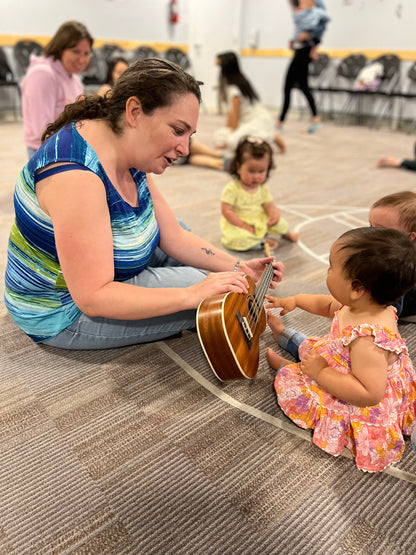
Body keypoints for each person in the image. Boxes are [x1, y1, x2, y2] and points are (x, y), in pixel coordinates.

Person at [4, 58, 284, 351]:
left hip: (95, 280)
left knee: (204, 265)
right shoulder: (77, 177)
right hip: (62, 311)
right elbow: (93, 297)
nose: (185, 149)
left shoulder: (124, 145)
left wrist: (240, 266)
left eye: (190, 135)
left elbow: (174, 235)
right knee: (212, 293)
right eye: (178, 130)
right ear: (134, 112)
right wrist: (192, 294)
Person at [265, 227, 416, 472]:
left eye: (331, 267)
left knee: (309, 372)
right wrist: (295, 300)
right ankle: (284, 336)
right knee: (313, 347)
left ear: (357, 289)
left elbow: (369, 394)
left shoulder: (368, 341)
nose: (327, 271)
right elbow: (327, 306)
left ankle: (294, 367)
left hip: (358, 387)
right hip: (341, 358)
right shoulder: (362, 303)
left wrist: (321, 373)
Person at [21, 21, 93, 158]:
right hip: (44, 151)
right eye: (76, 51)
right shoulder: (42, 74)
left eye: (86, 53)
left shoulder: (75, 81)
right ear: (60, 48)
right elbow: (41, 131)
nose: (82, 59)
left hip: (66, 147)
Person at [221, 136, 299, 251]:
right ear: (238, 167)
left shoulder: (262, 187)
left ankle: (286, 233)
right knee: (237, 239)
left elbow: (268, 204)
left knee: (280, 223)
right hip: (239, 223)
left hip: (260, 220)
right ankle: (261, 242)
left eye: (261, 171)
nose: (256, 176)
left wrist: (274, 214)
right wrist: (242, 225)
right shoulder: (232, 188)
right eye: (251, 171)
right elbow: (226, 210)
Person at [213, 51, 286, 154]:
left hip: (258, 121)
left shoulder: (234, 90)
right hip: (246, 122)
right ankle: (262, 134)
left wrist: (231, 136)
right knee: (219, 137)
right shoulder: (235, 83)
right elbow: (230, 114)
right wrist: (228, 132)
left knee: (233, 142)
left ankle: (272, 135)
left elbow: (235, 116)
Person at [277, 0, 329, 133]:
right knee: (304, 87)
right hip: (300, 51)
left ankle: (280, 123)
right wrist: (293, 40)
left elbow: (318, 30)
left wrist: (311, 43)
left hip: (303, 53)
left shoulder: (316, 12)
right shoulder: (302, 11)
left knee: (288, 86)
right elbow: (299, 31)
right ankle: (315, 119)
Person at [369, 191, 416, 320]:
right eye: (370, 225)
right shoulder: (395, 244)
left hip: (408, 304)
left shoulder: (398, 264)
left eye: (380, 230)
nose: (371, 233)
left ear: (410, 236)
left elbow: (393, 306)